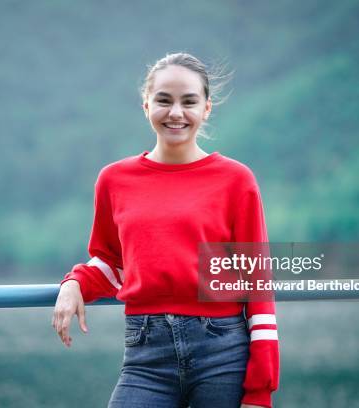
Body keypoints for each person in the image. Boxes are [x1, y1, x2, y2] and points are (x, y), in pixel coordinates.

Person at [52, 52, 279, 408]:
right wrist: (75, 282)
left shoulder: (236, 180)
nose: (176, 112)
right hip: (146, 356)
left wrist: (260, 391)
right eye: (164, 100)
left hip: (222, 354)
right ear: (146, 105)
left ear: (206, 108)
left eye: (189, 101)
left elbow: (257, 284)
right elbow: (114, 264)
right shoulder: (114, 180)